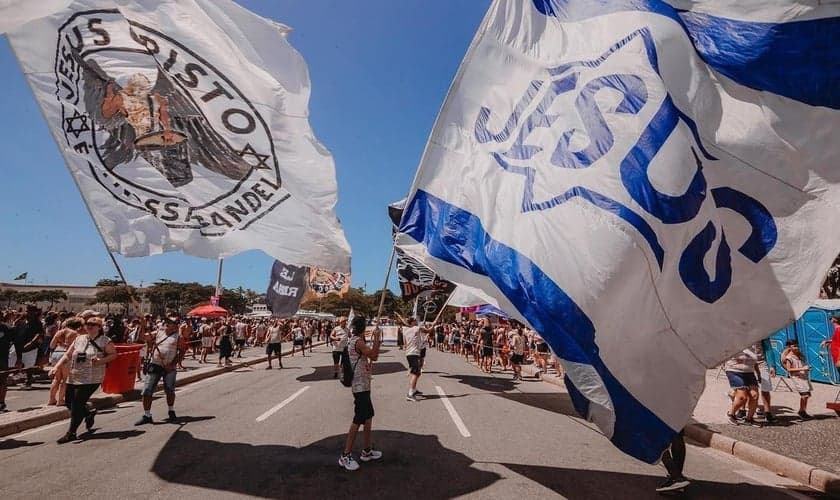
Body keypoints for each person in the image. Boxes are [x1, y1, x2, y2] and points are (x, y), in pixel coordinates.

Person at [51, 316, 117, 444]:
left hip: (92, 377)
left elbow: (113, 355)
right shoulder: (79, 339)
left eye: (93, 324)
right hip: (74, 375)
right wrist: (56, 367)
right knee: (69, 402)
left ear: (99, 327)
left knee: (77, 403)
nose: (89, 326)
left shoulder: (105, 341)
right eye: (87, 323)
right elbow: (68, 354)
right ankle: (88, 413)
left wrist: (101, 361)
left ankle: (71, 432)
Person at [338, 316, 383, 471]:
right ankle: (345, 455)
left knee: (368, 416)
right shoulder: (358, 342)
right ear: (363, 327)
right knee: (358, 419)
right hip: (360, 386)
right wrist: (377, 338)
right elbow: (374, 356)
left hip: (364, 384)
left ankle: (367, 450)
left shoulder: (354, 340)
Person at [136, 315, 182, 425]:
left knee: (169, 390)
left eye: (170, 322)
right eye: (166, 322)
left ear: (175, 326)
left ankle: (171, 411)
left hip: (169, 367)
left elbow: (182, 351)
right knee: (147, 390)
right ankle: (147, 415)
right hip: (155, 364)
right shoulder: (157, 333)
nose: (167, 324)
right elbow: (142, 337)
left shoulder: (178, 337)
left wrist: (172, 364)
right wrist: (142, 325)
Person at [48, 317, 83, 406]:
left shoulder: (59, 332)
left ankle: (52, 399)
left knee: (57, 378)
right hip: (66, 355)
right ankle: (60, 400)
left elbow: (51, 345)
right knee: (65, 379)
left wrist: (61, 344)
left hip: (56, 353)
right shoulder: (75, 334)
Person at [724, 349, 760, 426]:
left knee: (755, 395)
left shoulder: (752, 344)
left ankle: (749, 419)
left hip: (749, 371)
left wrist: (758, 373)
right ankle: (731, 414)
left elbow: (755, 358)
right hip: (734, 370)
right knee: (742, 397)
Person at [404, 317, 434, 402]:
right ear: (412, 322)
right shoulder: (417, 328)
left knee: (418, 372)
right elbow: (428, 331)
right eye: (415, 321)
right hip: (413, 353)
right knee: (416, 373)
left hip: (409, 353)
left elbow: (405, 344)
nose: (416, 322)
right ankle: (410, 394)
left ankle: (414, 389)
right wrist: (433, 325)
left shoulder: (405, 331)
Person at [14, 305, 44, 389]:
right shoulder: (22, 320)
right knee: (16, 361)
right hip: (20, 344)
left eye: (29, 311)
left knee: (29, 365)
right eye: (27, 311)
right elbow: (16, 327)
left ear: (34, 312)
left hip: (31, 347)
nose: (27, 312)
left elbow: (39, 334)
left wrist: (31, 342)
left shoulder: (37, 322)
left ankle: (28, 381)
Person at [782, 340, 813, 420]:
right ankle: (801, 411)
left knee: (807, 395)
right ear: (789, 347)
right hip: (797, 378)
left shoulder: (798, 355)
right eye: (794, 346)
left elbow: (801, 364)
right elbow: (789, 369)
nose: (796, 347)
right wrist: (802, 368)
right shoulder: (789, 358)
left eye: (797, 346)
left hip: (803, 377)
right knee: (804, 395)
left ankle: (803, 411)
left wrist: (806, 368)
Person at [749, 342, 776, 423]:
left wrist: (772, 365)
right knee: (747, 388)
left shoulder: (761, 335)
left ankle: (767, 412)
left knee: (766, 387)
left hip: (761, 362)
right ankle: (743, 410)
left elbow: (768, 348)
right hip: (747, 362)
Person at [0, 312, 15, 412]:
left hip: (2, 358)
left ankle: (1, 402)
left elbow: (14, 342)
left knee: (2, 381)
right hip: (3, 358)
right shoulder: (7, 328)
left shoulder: (6, 328)